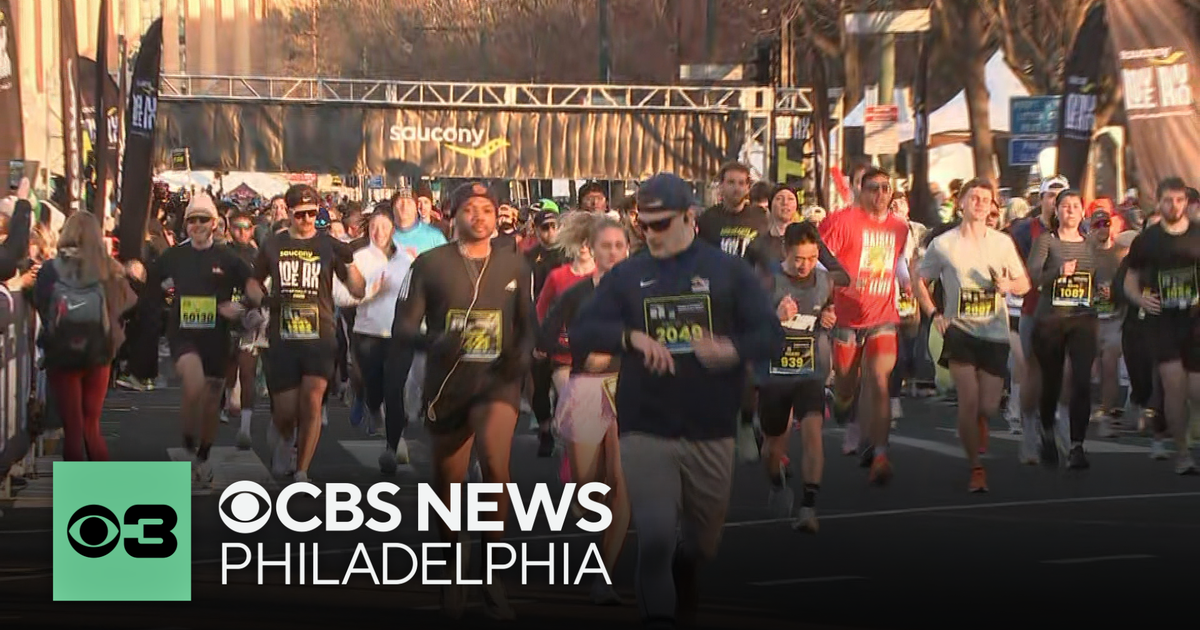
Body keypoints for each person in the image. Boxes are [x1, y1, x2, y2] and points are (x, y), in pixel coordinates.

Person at [571, 172, 783, 628]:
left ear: (690, 217)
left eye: (661, 224)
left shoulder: (728, 272)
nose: (650, 235)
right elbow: (583, 329)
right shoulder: (628, 274)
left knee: (701, 543)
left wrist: (731, 349)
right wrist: (629, 337)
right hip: (645, 423)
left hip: (710, 426)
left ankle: (686, 572)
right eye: (643, 225)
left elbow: (771, 335)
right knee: (655, 535)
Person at [392, 181, 536, 620]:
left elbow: (530, 326)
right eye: (470, 209)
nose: (479, 216)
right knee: (447, 484)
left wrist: (521, 359)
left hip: (497, 382)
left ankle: (492, 568)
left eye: (487, 209)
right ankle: (454, 566)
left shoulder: (516, 265)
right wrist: (431, 342)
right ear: (451, 216)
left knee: (496, 462)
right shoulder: (431, 265)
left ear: (498, 217)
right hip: (447, 385)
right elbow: (402, 328)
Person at [537, 216, 631, 605]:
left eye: (619, 246)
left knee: (620, 482)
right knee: (589, 483)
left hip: (630, 388)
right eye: (605, 246)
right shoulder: (574, 296)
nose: (613, 252)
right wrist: (574, 352)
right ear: (591, 248)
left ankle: (603, 577)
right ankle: (575, 484)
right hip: (587, 388)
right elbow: (545, 339)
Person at [916, 180, 1031, 490]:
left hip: (994, 333)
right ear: (961, 204)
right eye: (974, 198)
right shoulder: (943, 244)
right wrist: (933, 314)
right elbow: (920, 282)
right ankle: (976, 468)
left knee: (988, 406)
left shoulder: (1002, 243)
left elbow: (1025, 284)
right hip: (960, 332)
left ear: (993, 206)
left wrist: (1009, 287)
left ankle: (981, 421)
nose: (980, 203)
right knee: (968, 400)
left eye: (986, 199)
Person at [250, 185, 365, 483]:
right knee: (286, 412)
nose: (307, 220)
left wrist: (350, 262)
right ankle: (285, 438)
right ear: (288, 213)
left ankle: (302, 469)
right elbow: (254, 281)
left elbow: (357, 290)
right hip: (283, 336)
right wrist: (261, 300)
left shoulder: (328, 245)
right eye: (300, 214)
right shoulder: (273, 245)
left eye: (313, 213)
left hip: (320, 336)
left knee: (312, 400)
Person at [140, 194, 256, 484]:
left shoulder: (228, 258)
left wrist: (240, 308)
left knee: (211, 401)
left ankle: (203, 455)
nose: (198, 225)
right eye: (192, 220)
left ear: (215, 223)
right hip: (184, 334)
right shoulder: (175, 255)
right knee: (193, 384)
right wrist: (137, 273)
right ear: (186, 225)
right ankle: (189, 446)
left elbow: (254, 289)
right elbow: (151, 280)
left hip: (216, 338)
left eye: (204, 219)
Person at [818, 167, 910, 484]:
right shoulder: (841, 222)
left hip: (882, 314)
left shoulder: (900, 228)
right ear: (860, 190)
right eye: (874, 188)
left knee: (880, 381)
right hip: (846, 315)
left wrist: (906, 283)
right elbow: (818, 259)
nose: (881, 194)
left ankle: (880, 452)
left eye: (886, 188)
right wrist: (835, 289)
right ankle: (842, 400)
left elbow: (898, 260)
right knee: (847, 383)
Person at [757, 221, 840, 531]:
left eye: (811, 257)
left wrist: (829, 316)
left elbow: (828, 309)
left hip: (811, 370)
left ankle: (808, 506)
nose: (805, 265)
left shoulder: (824, 280)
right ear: (785, 252)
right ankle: (777, 483)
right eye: (798, 259)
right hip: (775, 374)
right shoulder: (767, 282)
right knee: (773, 448)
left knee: (813, 434)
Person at [35, 211, 137, 462]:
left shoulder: (51, 269)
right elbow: (131, 300)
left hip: (62, 353)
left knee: (72, 427)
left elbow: (41, 302)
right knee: (91, 424)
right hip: (98, 352)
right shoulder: (108, 267)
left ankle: (75, 490)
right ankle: (97, 489)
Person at [1122, 177, 1200, 474]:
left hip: (1194, 321)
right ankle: (1182, 454)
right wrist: (1141, 300)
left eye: (1180, 200)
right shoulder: (1148, 240)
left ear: (1186, 202)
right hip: (1163, 322)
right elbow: (1129, 280)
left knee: (1196, 392)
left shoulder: (1197, 235)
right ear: (1158, 201)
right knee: (1174, 388)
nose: (1174, 206)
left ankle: (1188, 438)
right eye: (1168, 200)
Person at [1026, 189, 1102, 469]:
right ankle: (1047, 431)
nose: (1070, 210)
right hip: (1051, 320)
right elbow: (1032, 276)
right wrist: (1057, 273)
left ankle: (1077, 446)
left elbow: (1099, 277)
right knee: (1053, 381)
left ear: (1083, 212)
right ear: (1056, 212)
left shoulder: (1091, 243)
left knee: (1082, 381)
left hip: (1083, 317)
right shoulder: (1047, 241)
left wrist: (1103, 289)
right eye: (1065, 206)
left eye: (1075, 206)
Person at [334, 211, 413, 472]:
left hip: (400, 336)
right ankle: (371, 405)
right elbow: (341, 297)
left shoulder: (409, 259)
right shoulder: (359, 259)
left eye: (384, 226)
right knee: (374, 388)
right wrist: (369, 294)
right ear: (368, 230)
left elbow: (419, 293)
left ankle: (393, 445)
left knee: (395, 390)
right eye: (374, 227)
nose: (379, 232)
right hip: (368, 334)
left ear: (393, 229)